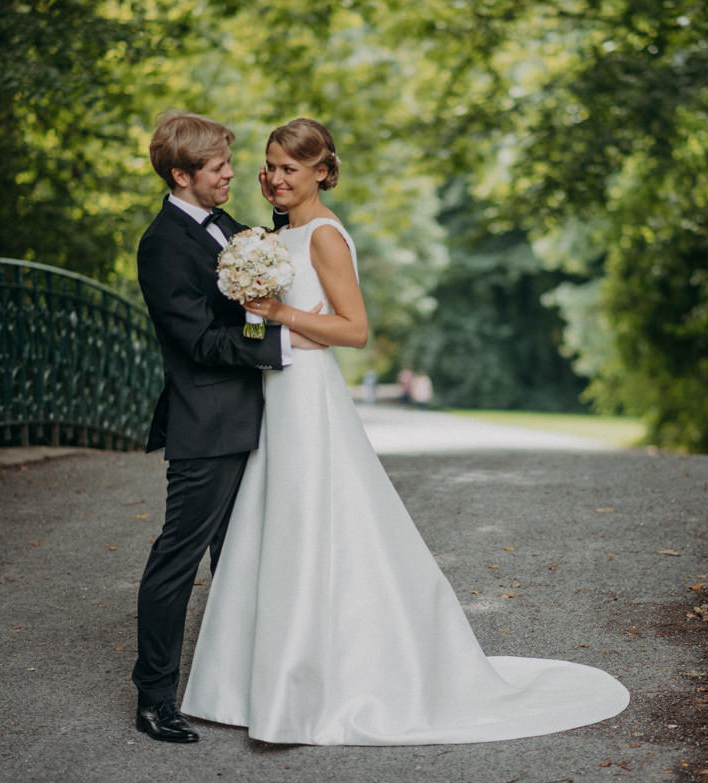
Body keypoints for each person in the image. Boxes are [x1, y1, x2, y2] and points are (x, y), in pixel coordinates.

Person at [180, 118, 629, 745]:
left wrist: (276, 310)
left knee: (311, 522)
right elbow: (282, 329)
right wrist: (261, 321)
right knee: (275, 523)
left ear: (321, 172)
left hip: (309, 398)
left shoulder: (326, 237)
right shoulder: (280, 234)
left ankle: (308, 688)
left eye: (289, 168)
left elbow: (354, 330)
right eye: (270, 165)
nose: (274, 178)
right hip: (275, 389)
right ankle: (259, 684)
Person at [131, 111, 324, 744]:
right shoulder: (162, 244)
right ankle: (155, 696)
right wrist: (277, 345)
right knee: (179, 558)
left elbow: (264, 269)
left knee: (242, 557)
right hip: (208, 423)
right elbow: (196, 341)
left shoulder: (229, 228)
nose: (233, 173)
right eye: (218, 167)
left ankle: (243, 684)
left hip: (258, 415)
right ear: (182, 175)